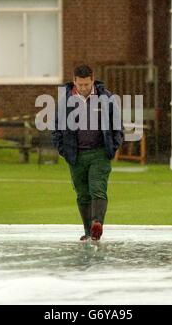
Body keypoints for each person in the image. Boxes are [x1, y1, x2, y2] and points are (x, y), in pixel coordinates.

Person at [52, 64, 124, 241]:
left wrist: (113, 147)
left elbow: (118, 126)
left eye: (86, 84)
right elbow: (56, 129)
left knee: (98, 189)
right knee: (82, 194)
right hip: (76, 156)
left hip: (100, 154)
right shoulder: (64, 102)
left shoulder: (107, 98)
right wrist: (64, 151)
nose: (83, 88)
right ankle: (88, 232)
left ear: (92, 80)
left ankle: (97, 223)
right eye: (80, 85)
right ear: (74, 81)